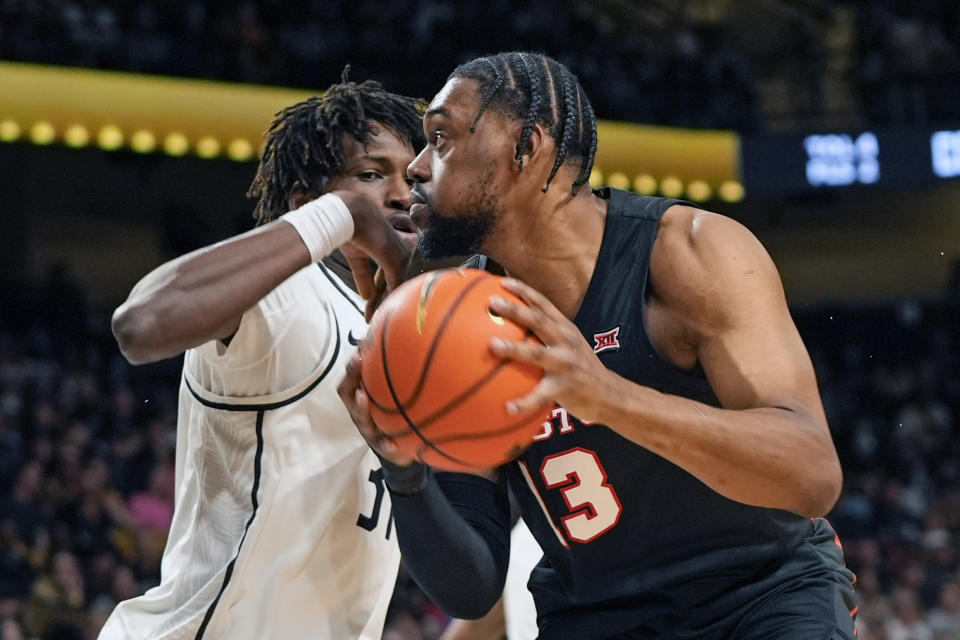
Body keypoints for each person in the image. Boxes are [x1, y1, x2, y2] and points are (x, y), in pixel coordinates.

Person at [340, 52, 857, 639]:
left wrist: (609, 398)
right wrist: (404, 467)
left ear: (525, 149)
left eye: (442, 138)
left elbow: (812, 474)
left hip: (760, 596)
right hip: (595, 616)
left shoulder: (690, 252)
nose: (416, 165)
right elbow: (471, 585)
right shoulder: (461, 320)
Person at [100, 74, 425, 639]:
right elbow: (141, 325)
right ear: (305, 204)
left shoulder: (423, 328)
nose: (399, 195)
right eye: (370, 176)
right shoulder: (286, 294)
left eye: (412, 178)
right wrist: (344, 216)